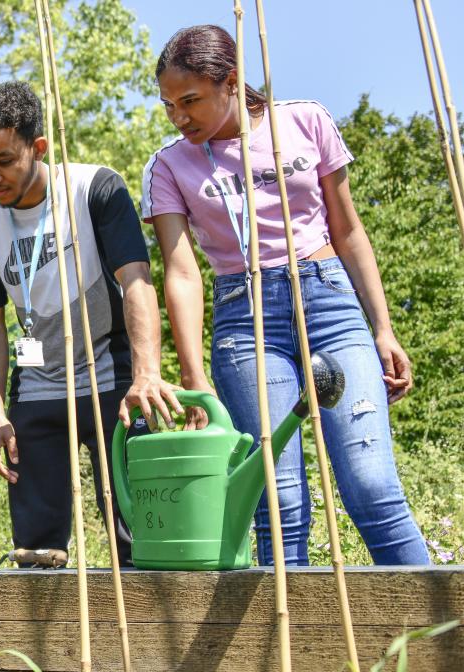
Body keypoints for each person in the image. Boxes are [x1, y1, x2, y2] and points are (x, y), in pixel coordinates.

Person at [141, 25, 431, 566]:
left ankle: (441, 636)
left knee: (370, 482)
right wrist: (193, 376)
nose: (178, 117)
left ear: (231, 81)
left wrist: (382, 327)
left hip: (330, 301)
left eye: (189, 100)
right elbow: (181, 273)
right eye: (168, 105)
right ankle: (292, 646)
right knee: (279, 498)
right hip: (244, 318)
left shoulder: (305, 120)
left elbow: (347, 231)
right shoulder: (168, 165)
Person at [0, 81, 180, 565]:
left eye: (4, 160)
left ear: (38, 148)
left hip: (113, 379)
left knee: (137, 536)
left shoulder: (94, 188)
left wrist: (147, 373)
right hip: (37, 385)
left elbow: (138, 282)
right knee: (36, 551)